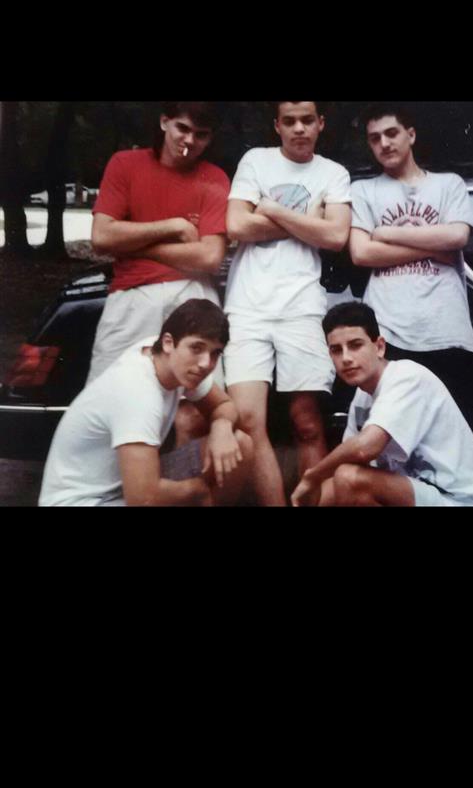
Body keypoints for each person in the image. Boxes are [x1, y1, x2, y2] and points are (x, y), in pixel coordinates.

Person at [223, 101, 352, 506]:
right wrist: (307, 221)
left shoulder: (333, 173)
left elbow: (335, 238)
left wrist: (274, 208)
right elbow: (236, 225)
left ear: (320, 125)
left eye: (307, 120)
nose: (299, 128)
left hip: (302, 308)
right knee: (247, 421)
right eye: (290, 121)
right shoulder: (256, 161)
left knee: (308, 424)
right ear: (277, 125)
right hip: (247, 307)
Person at [39, 300, 254, 507]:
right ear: (169, 342)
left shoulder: (166, 356)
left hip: (125, 487)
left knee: (240, 445)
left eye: (215, 353)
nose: (206, 364)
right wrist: (197, 491)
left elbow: (223, 406)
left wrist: (222, 427)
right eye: (196, 348)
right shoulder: (138, 392)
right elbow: (143, 499)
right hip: (84, 501)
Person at [349, 102, 473, 427]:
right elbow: (362, 253)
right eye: (375, 138)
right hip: (388, 331)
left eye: (392, 133)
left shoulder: (448, 184)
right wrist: (432, 249)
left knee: (453, 435)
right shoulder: (363, 190)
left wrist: (385, 232)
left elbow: (457, 236)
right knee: (392, 437)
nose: (384, 143)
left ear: (411, 135)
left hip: (445, 329)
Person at [291, 303, 473, 508]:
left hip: (458, 501)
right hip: (418, 495)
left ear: (379, 346)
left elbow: (364, 448)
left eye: (355, 345)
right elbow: (346, 464)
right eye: (336, 350)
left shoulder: (407, 377)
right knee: (330, 491)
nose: (346, 358)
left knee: (349, 479)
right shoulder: (362, 396)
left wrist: (312, 477)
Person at [87, 101, 230, 385]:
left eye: (201, 134)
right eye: (182, 128)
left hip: (193, 293)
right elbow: (102, 237)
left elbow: (209, 257)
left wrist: (131, 244)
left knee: (199, 406)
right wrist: (174, 226)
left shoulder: (214, 178)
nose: (189, 140)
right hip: (132, 294)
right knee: (110, 396)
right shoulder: (125, 163)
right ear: (164, 122)